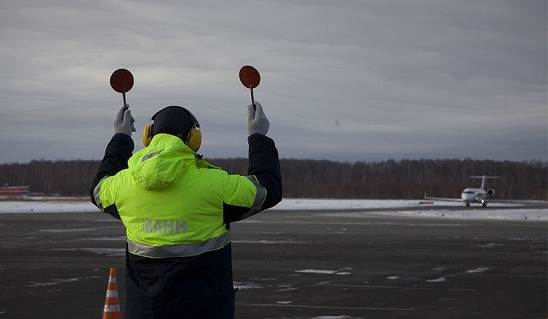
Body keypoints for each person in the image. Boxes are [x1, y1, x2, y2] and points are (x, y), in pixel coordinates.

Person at [90, 102, 282, 319]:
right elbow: (267, 189)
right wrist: (258, 137)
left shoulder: (124, 186)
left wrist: (121, 138)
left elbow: (98, 190)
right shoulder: (214, 185)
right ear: (193, 139)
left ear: (147, 136)